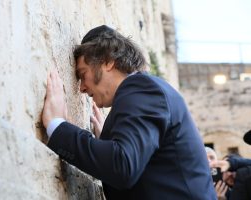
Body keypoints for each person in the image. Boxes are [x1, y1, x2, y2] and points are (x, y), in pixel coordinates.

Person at [42, 25, 216, 199]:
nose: (81, 88)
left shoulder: (142, 89)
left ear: (108, 61)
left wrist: (57, 126)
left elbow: (122, 165)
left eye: (83, 74)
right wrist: (107, 141)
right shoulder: (144, 91)